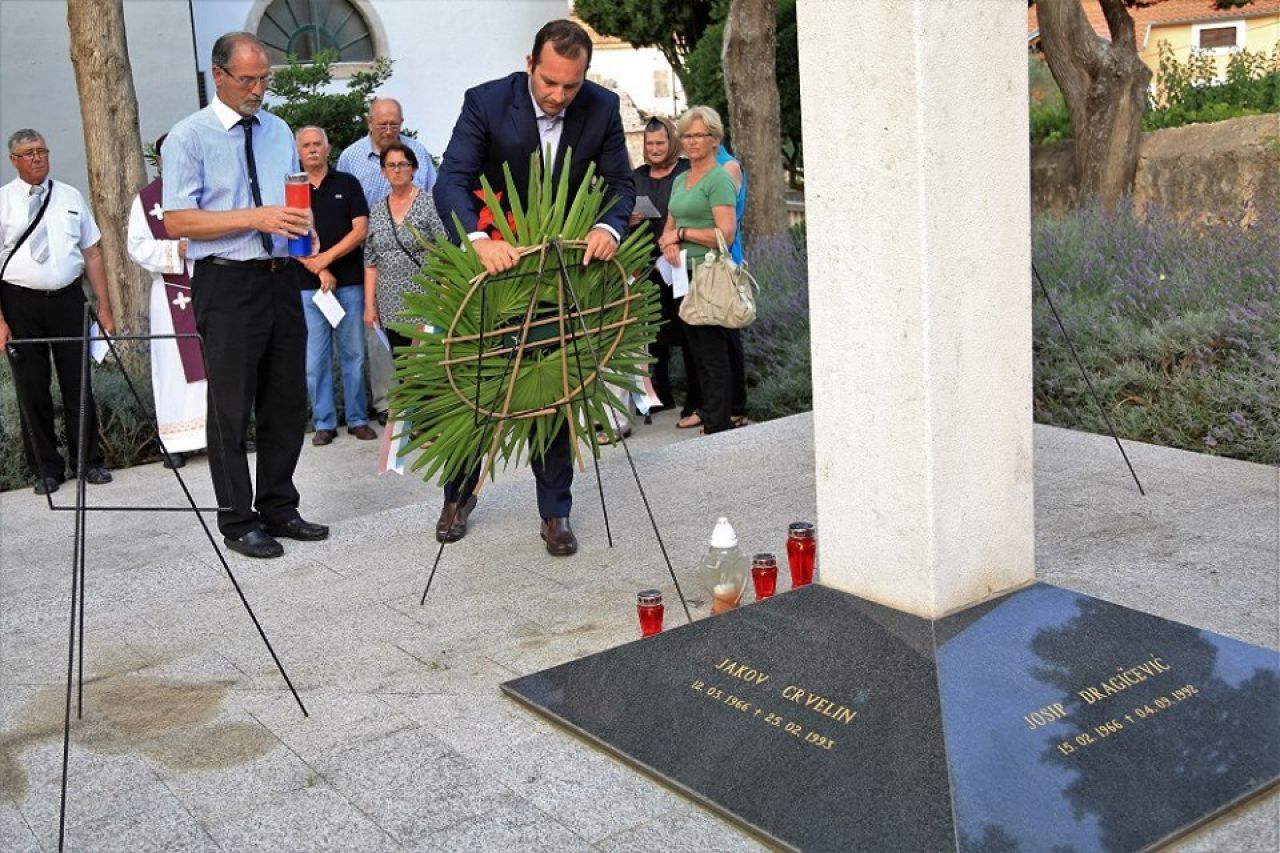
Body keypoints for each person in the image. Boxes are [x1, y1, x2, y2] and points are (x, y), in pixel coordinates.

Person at [433, 18, 635, 555]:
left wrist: (608, 226)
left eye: (571, 85)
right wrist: (477, 238)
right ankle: (459, 494)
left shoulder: (603, 107)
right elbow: (451, 178)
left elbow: (621, 185)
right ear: (530, 64)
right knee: (484, 388)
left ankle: (555, 512)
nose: (558, 95)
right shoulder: (486, 102)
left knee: (554, 390)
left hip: (565, 273)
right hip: (494, 273)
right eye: (549, 82)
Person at [162, 31, 327, 559]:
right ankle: (238, 520)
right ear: (219, 75)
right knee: (231, 405)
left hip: (282, 275)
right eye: (248, 79)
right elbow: (178, 220)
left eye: (264, 79)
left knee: (285, 400)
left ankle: (279, 506)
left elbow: (290, 194)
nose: (259, 89)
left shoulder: (279, 130)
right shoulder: (188, 136)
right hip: (227, 282)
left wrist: (307, 229)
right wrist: (254, 217)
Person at [0, 128, 115, 494]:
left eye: (42, 151)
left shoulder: (69, 195)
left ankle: (89, 462)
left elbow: (92, 252)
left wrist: (105, 306)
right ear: (14, 160)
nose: (37, 158)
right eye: (29, 153)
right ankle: (47, 469)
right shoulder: (2, 202)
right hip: (20, 302)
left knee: (78, 382)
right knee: (32, 387)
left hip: (67, 298)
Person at [338, 97, 437, 427]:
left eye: (394, 123)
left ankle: (426, 412)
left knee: (423, 349)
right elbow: (365, 245)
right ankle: (389, 405)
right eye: (382, 124)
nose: (388, 129)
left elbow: (439, 224)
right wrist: (369, 301)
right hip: (380, 276)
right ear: (370, 122)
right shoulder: (351, 158)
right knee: (384, 347)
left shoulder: (418, 151)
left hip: (422, 282)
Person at [126, 133, 207, 469]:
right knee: (172, 367)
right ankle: (174, 441)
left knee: (217, 361)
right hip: (170, 292)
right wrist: (178, 249)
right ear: (158, 160)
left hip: (210, 286)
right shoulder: (146, 200)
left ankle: (220, 433)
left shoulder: (206, 190)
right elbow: (137, 246)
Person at [659, 106, 739, 435]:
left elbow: (726, 234)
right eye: (686, 135)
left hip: (708, 274)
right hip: (681, 275)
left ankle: (719, 423)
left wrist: (682, 235)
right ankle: (709, 414)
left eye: (699, 135)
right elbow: (668, 227)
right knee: (695, 350)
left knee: (712, 351)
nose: (691, 142)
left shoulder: (718, 179)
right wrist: (669, 243)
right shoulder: (680, 180)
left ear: (714, 140)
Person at [293, 126, 373, 447]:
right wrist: (318, 268)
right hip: (308, 288)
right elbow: (288, 238)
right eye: (306, 146)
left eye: (318, 144)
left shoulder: (347, 184)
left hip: (349, 284)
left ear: (328, 149)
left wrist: (325, 258)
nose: (313, 150)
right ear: (298, 152)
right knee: (316, 360)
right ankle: (324, 422)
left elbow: (360, 229)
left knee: (353, 355)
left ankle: (357, 419)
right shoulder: (292, 190)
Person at [630, 116, 691, 423]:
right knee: (655, 333)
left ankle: (696, 396)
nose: (654, 149)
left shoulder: (685, 171)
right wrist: (629, 219)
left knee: (688, 328)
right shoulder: (636, 175)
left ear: (672, 143)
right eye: (649, 144)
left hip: (680, 261)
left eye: (660, 143)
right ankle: (659, 394)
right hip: (647, 265)